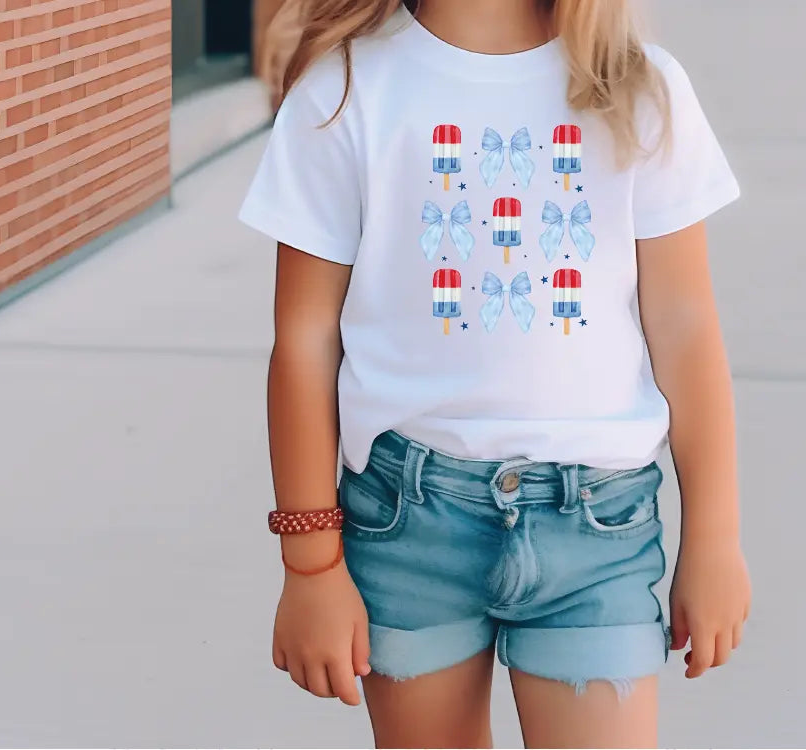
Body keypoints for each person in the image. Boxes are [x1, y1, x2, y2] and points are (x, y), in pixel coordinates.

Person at [238, 0, 751, 746]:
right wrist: (310, 566)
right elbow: (305, 339)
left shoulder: (639, 89)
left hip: (596, 531)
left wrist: (715, 539)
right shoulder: (345, 87)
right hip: (408, 525)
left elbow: (686, 329)